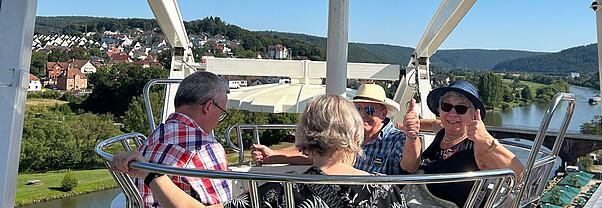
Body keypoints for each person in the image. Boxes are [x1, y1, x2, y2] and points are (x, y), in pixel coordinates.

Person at [113, 94, 407, 208]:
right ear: (354, 132)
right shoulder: (387, 189)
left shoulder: (278, 192)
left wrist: (153, 174)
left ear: (304, 133)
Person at [251, 83, 421, 174]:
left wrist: (412, 136)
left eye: (369, 109)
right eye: (357, 109)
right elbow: (318, 154)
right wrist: (273, 156)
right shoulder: (349, 136)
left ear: (384, 114)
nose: (362, 114)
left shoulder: (397, 138)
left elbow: (410, 166)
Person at [409, 80, 525, 207]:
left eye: (461, 108)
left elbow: (521, 175)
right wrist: (405, 125)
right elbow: (432, 124)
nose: (452, 113)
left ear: (473, 114)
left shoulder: (477, 146)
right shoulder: (442, 131)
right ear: (439, 110)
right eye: (446, 106)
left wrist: (486, 139)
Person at [132, 71, 233, 207]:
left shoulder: (152, 139)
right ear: (208, 106)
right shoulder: (206, 148)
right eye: (221, 113)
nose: (218, 121)